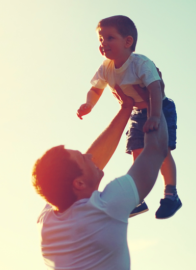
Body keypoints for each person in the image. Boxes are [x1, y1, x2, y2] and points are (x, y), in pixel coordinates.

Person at [32, 85, 168, 269]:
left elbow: (87, 165)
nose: (90, 157)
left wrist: (126, 109)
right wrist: (154, 100)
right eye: (83, 157)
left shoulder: (48, 221)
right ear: (78, 183)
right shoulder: (105, 207)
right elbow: (156, 149)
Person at [76, 15, 181, 219]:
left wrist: (155, 116)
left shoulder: (140, 63)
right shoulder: (106, 68)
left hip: (160, 107)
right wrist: (88, 104)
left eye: (109, 38)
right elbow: (96, 89)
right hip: (137, 112)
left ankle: (171, 194)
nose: (103, 44)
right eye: (100, 39)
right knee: (137, 152)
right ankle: (137, 198)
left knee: (161, 151)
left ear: (128, 41)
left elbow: (155, 89)